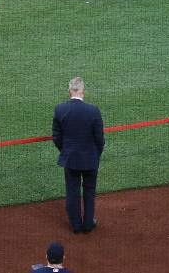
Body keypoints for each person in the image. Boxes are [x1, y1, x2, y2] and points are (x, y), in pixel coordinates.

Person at [53, 76, 105, 233]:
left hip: (70, 159)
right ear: (83, 92)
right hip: (90, 159)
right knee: (89, 191)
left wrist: (66, 151)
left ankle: (75, 225)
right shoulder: (93, 110)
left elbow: (57, 138)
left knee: (72, 191)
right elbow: (99, 139)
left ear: (70, 91)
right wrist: (96, 154)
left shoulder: (60, 109)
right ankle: (88, 224)